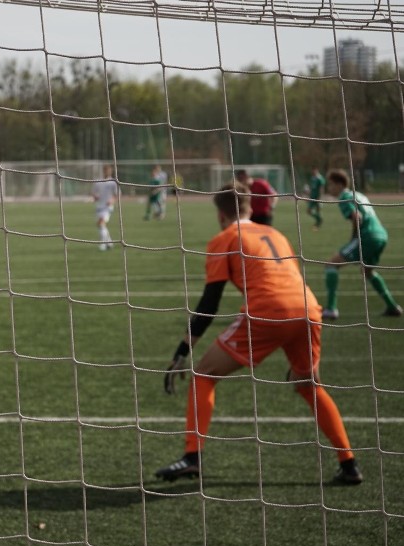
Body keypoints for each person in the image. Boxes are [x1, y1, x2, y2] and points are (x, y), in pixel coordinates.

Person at [156, 185, 362, 485]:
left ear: (220, 214)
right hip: (308, 308)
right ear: (250, 209)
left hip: (268, 310)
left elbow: (209, 303)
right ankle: (349, 463)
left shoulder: (224, 239)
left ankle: (191, 457)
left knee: (203, 375)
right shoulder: (275, 234)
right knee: (310, 386)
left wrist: (182, 350)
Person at [321, 169, 402, 319]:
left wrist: (353, 238)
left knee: (331, 265)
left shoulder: (344, 197)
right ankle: (392, 306)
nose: (328, 188)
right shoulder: (359, 194)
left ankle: (331, 309)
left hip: (367, 236)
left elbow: (357, 217)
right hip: (381, 235)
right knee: (368, 272)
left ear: (339, 184)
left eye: (330, 184)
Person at [91, 164, 118, 251]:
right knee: (101, 225)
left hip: (108, 207)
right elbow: (94, 193)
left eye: (109, 170)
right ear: (103, 171)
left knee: (101, 223)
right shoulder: (98, 181)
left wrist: (112, 200)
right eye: (105, 170)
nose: (107, 172)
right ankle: (109, 242)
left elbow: (116, 195)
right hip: (99, 206)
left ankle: (103, 244)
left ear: (111, 171)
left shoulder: (113, 182)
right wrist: (95, 197)